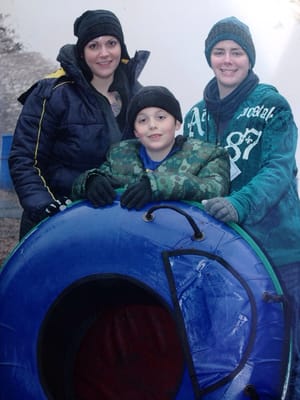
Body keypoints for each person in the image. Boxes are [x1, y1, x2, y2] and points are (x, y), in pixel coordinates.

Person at [183, 16, 300, 399]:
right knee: (236, 349)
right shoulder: (195, 116)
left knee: (290, 349)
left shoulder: (273, 105)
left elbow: (279, 168)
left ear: (249, 58)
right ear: (209, 57)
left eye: (237, 52)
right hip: (222, 256)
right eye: (219, 52)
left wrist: (239, 203)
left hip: (279, 250)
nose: (228, 60)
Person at [8, 9, 150, 239]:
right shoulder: (52, 93)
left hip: (119, 223)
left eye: (111, 43)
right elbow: (25, 159)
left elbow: (156, 154)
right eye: (94, 45)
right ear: (82, 52)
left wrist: (150, 185)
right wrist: (46, 208)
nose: (104, 53)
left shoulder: (140, 96)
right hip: (59, 222)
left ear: (121, 47)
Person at [71, 85, 230, 209]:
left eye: (161, 117)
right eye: (142, 120)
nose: (152, 125)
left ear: (177, 123)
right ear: (135, 131)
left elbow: (215, 188)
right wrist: (90, 181)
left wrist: (157, 185)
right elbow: (80, 186)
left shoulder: (207, 155)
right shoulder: (119, 155)